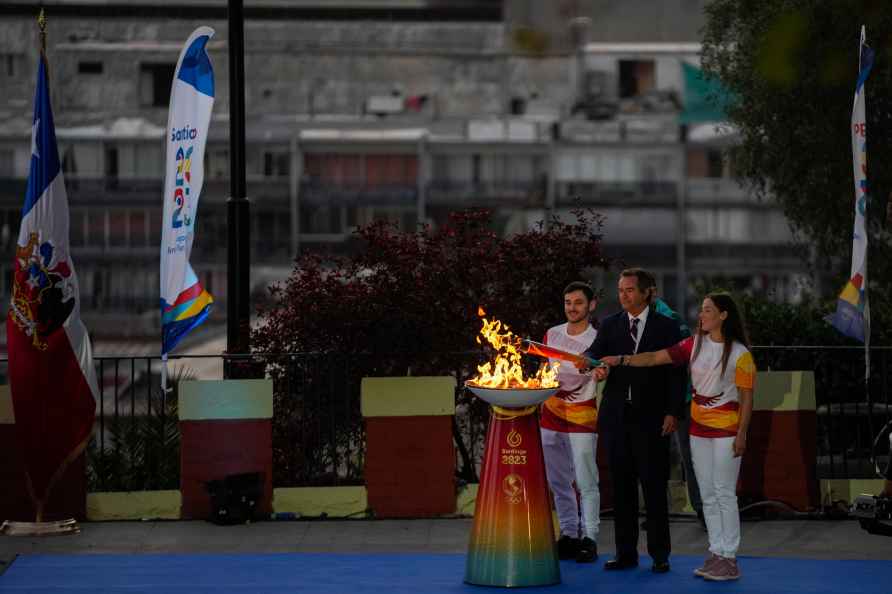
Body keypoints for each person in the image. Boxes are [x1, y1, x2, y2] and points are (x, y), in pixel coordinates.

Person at [601, 291, 756, 581]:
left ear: (723, 315)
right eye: (701, 310)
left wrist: (742, 434)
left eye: (708, 310)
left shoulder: (740, 354)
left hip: (726, 433)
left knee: (724, 493)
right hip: (698, 432)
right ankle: (716, 552)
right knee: (708, 495)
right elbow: (654, 358)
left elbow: (747, 399)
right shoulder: (692, 345)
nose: (702, 315)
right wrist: (622, 359)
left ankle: (730, 558)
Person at [582, 268, 686, 574]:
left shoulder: (667, 327)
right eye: (621, 289)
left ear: (646, 292)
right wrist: (593, 366)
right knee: (622, 489)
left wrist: (673, 411)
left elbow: (677, 373)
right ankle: (625, 553)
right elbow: (594, 354)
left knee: (653, 488)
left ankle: (660, 554)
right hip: (616, 418)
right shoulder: (611, 325)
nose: (623, 295)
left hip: (653, 418)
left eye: (629, 290)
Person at [539, 281, 600, 563]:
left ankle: (589, 537)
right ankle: (568, 534)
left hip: (582, 412)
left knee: (585, 479)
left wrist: (601, 373)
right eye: (568, 302)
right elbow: (543, 370)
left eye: (577, 302)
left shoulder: (598, 339)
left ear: (591, 305)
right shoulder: (551, 334)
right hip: (551, 412)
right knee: (558, 480)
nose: (572, 308)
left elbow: (602, 371)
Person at [652, 296, 705, 529]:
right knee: (652, 458)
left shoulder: (672, 321)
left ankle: (703, 510)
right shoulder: (631, 321)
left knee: (689, 457)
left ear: (650, 292)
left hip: (679, 401)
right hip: (651, 401)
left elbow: (682, 363)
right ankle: (656, 512)